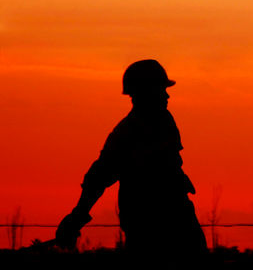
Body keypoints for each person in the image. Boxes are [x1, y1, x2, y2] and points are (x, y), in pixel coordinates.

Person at [54, 59, 208, 266]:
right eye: (161, 89)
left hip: (179, 219)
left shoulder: (165, 121)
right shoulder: (127, 133)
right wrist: (77, 217)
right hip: (146, 226)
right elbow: (99, 176)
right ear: (145, 92)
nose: (167, 95)